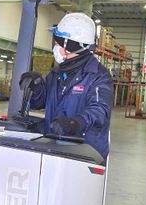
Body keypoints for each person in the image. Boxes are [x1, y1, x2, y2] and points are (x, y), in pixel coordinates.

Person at [20, 12, 113, 158]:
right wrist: (35, 87)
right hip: (55, 146)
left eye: (58, 43)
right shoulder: (57, 73)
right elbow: (39, 102)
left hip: (86, 152)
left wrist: (76, 122)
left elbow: (100, 110)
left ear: (70, 45)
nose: (55, 47)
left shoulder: (98, 76)